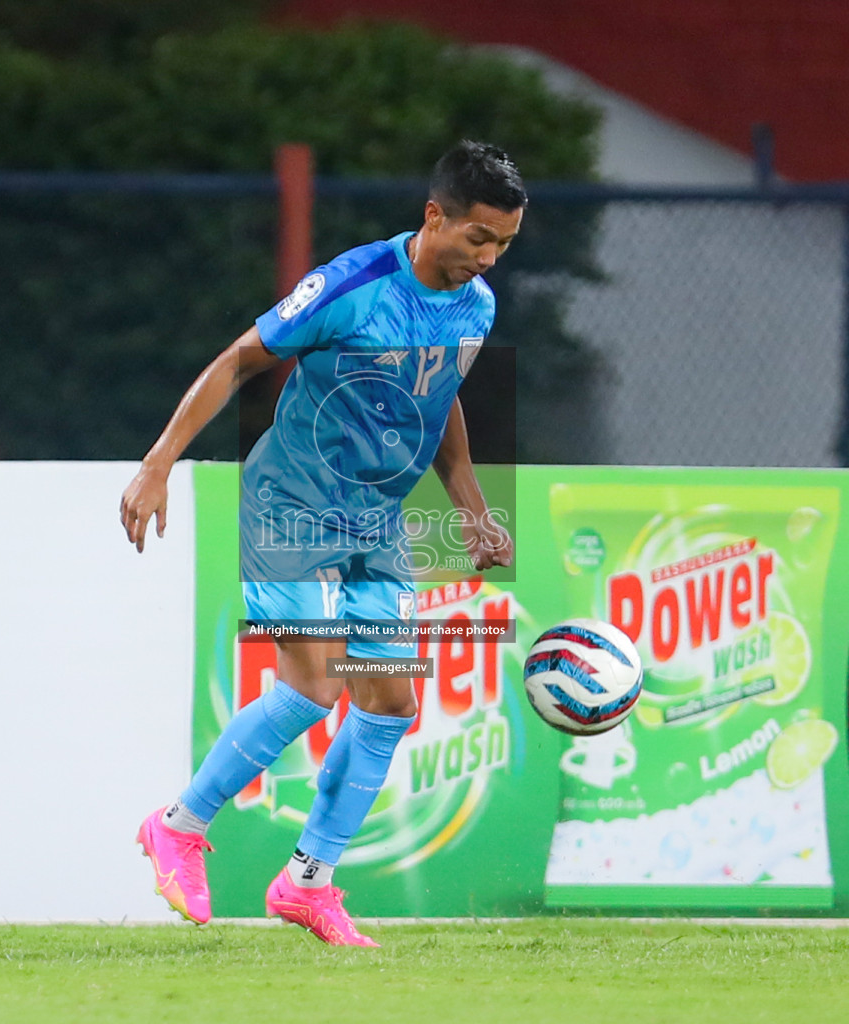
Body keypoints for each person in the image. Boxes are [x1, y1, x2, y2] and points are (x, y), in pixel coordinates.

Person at [120, 140, 523, 947]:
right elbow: (239, 361)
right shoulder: (354, 286)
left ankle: (309, 882)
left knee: (388, 703)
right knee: (311, 684)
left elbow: (436, 395)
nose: (487, 259)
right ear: (433, 215)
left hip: (375, 516)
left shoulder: (475, 305)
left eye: (505, 245)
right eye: (477, 237)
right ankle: (178, 826)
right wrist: (159, 461)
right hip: (291, 502)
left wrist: (472, 506)